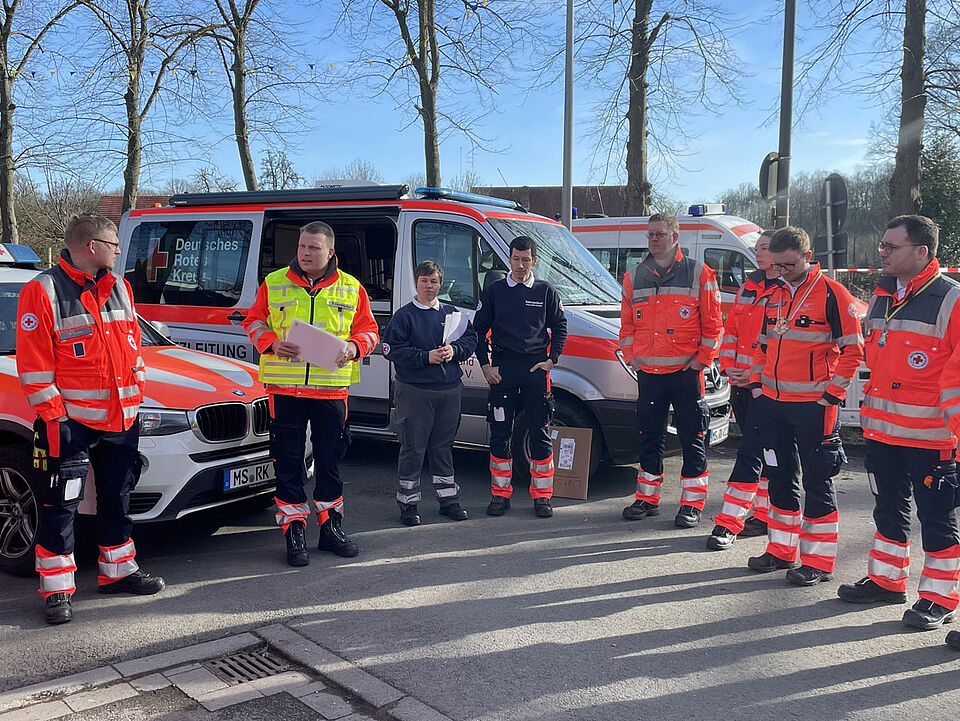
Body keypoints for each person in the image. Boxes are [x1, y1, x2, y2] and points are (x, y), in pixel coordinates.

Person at [16, 213, 164, 625]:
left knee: (117, 498)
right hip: (70, 421)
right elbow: (33, 366)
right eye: (114, 244)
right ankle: (57, 590)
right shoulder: (42, 290)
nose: (119, 251)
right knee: (61, 505)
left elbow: (132, 348)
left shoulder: (121, 287)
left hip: (122, 418)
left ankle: (118, 572)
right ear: (91, 246)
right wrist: (54, 417)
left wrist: (138, 398)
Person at [837, 215, 960, 632]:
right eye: (883, 245)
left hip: (931, 437)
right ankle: (887, 581)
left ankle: (939, 598)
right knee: (887, 510)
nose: (882, 253)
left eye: (891, 246)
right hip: (882, 433)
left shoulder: (951, 299)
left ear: (922, 251)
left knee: (938, 520)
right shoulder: (884, 294)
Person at [243, 220, 379, 566]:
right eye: (302, 246)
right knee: (287, 462)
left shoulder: (351, 287)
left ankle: (331, 529)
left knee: (330, 464)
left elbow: (370, 330)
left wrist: (353, 347)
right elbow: (253, 321)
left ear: (330, 252)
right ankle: (294, 531)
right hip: (285, 391)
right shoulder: (274, 283)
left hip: (331, 394)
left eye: (313, 248)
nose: (305, 252)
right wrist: (271, 342)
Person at [746, 226, 863, 586]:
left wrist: (831, 395)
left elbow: (854, 351)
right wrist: (755, 386)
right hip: (773, 404)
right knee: (779, 477)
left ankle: (818, 561)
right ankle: (781, 551)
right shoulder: (774, 294)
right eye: (776, 266)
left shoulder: (833, 294)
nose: (781, 272)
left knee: (817, 482)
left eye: (788, 266)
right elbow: (760, 346)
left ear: (808, 257)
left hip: (814, 407)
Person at [618, 212, 723, 528]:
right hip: (649, 374)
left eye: (660, 234)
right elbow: (626, 326)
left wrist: (702, 361)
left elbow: (714, 325)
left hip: (686, 374)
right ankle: (647, 499)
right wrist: (630, 355)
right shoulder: (634, 276)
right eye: (650, 234)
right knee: (649, 437)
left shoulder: (699, 274)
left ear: (676, 237)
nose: (654, 239)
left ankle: (692, 504)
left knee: (692, 438)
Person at [473, 235, 567, 518]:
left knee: (539, 433)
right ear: (509, 259)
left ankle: (542, 497)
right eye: (516, 259)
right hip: (502, 370)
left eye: (526, 260)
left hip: (535, 371)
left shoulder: (546, 291)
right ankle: (500, 495)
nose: (520, 265)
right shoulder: (494, 291)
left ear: (534, 260)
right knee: (501, 433)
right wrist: (485, 366)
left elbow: (560, 326)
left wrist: (552, 360)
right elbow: (477, 330)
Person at [381, 260, 478, 526]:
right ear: (417, 283)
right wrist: (426, 357)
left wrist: (454, 351)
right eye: (424, 281)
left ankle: (448, 500)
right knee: (413, 448)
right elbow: (392, 349)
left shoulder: (452, 313)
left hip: (449, 390)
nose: (429, 286)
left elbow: (471, 339)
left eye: (434, 281)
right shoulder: (404, 315)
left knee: (443, 447)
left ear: (441, 284)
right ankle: (408, 504)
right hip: (415, 390)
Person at [707, 231, 782, 549]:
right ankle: (763, 516)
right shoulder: (750, 287)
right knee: (765, 456)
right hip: (742, 385)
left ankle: (729, 522)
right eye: (757, 249)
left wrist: (751, 376)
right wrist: (727, 366)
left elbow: (778, 347)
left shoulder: (790, 292)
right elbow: (732, 331)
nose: (758, 254)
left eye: (764, 249)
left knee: (752, 453)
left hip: (766, 388)